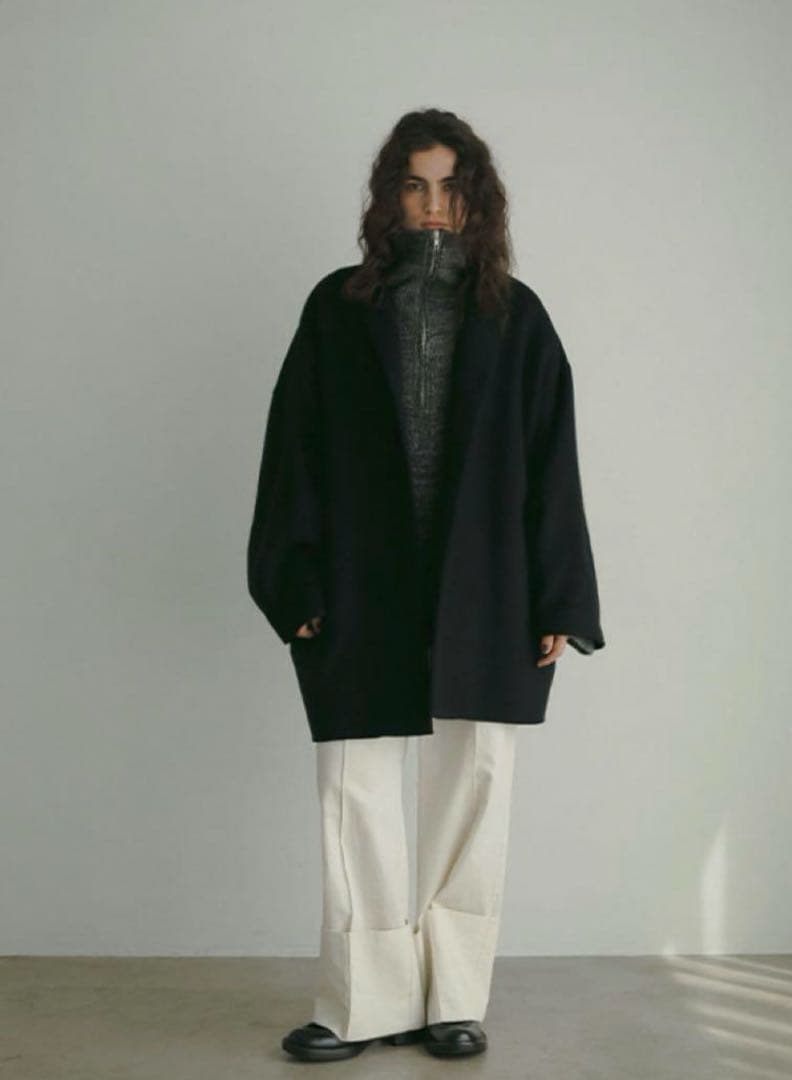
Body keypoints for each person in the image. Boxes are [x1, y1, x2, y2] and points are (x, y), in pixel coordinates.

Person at [247, 108, 605, 1063]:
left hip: (486, 584)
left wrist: (560, 599)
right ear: (389, 197)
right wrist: (292, 579)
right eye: (414, 184)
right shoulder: (337, 308)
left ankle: (453, 996)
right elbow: (292, 448)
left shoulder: (515, 315)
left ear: (476, 198)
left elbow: (551, 460)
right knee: (354, 790)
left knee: (474, 783)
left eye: (450, 185)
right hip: (359, 580)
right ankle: (361, 1002)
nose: (432, 203)